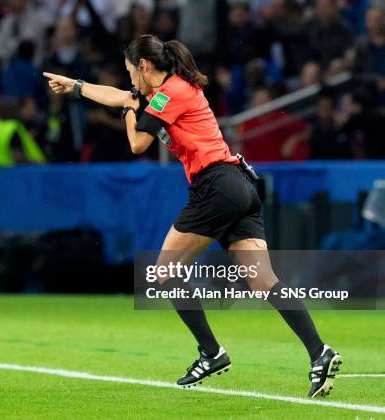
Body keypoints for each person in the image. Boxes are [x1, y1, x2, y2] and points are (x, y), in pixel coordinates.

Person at [44, 34, 342, 398]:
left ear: (143, 67)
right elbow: (122, 95)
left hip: (215, 186)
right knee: (263, 280)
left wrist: (127, 112)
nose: (129, 81)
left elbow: (137, 143)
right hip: (239, 186)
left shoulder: (169, 94)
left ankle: (211, 353)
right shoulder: (168, 90)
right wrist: (76, 87)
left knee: (163, 271)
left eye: (129, 72)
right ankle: (319, 352)